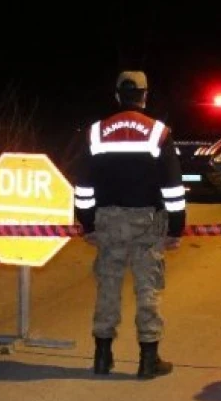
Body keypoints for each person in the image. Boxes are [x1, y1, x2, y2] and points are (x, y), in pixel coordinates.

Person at [73, 71, 186, 379]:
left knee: (107, 286)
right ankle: (148, 361)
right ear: (145, 95)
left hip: (107, 220)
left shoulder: (96, 132)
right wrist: (176, 229)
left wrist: (86, 224)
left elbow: (83, 186)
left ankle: (102, 357)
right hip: (147, 222)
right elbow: (174, 189)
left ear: (117, 95)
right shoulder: (158, 133)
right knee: (147, 287)